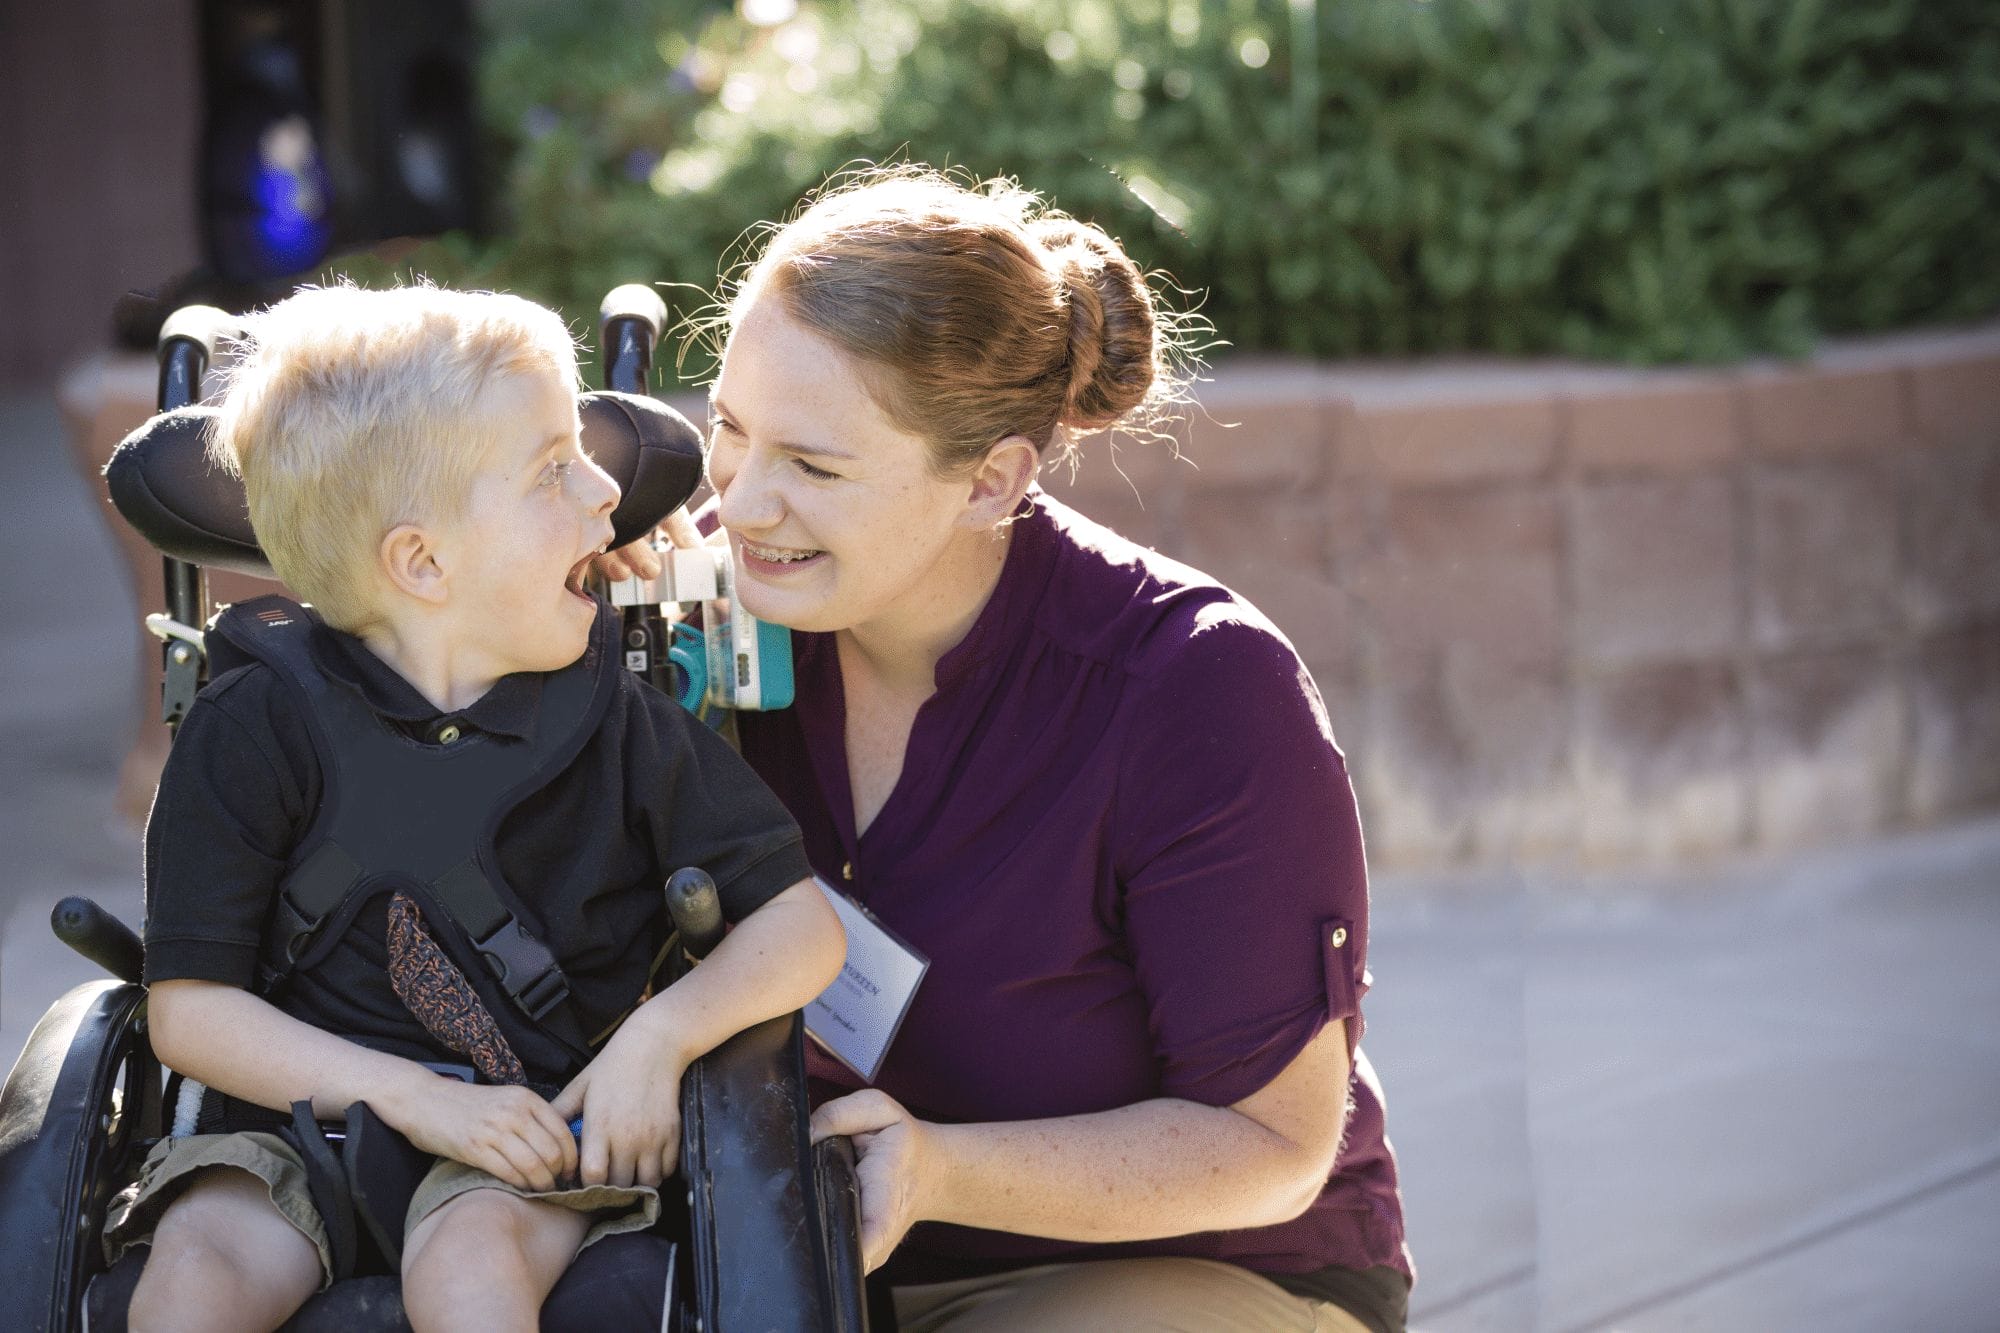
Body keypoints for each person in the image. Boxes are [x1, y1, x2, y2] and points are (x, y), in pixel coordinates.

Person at [605, 167, 1414, 1331]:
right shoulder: (705, 620)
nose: (744, 502)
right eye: (730, 430)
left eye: (814, 466)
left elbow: (1272, 1144)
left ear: (989, 481)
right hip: (814, 1256)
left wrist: (941, 1169)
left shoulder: (1195, 687)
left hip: (1203, 1269)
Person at [103, 284, 846, 1333]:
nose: (605, 495)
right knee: (192, 1279)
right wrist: (410, 1097)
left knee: (465, 1271)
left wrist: (659, 1037)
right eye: (554, 468)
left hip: (530, 1135)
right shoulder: (252, 722)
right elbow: (189, 1012)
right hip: (289, 1123)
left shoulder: (618, 719)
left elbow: (802, 927)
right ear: (421, 561)